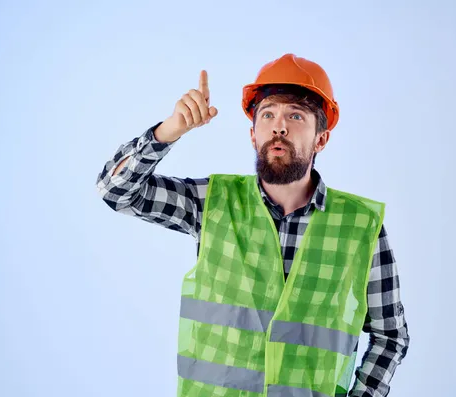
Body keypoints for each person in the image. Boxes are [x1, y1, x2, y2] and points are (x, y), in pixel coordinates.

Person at [97, 53, 409, 397]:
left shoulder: (361, 227)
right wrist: (167, 132)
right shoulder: (213, 202)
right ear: (253, 134)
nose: (279, 126)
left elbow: (390, 336)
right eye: (268, 114)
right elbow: (116, 192)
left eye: (296, 115)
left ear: (321, 139)